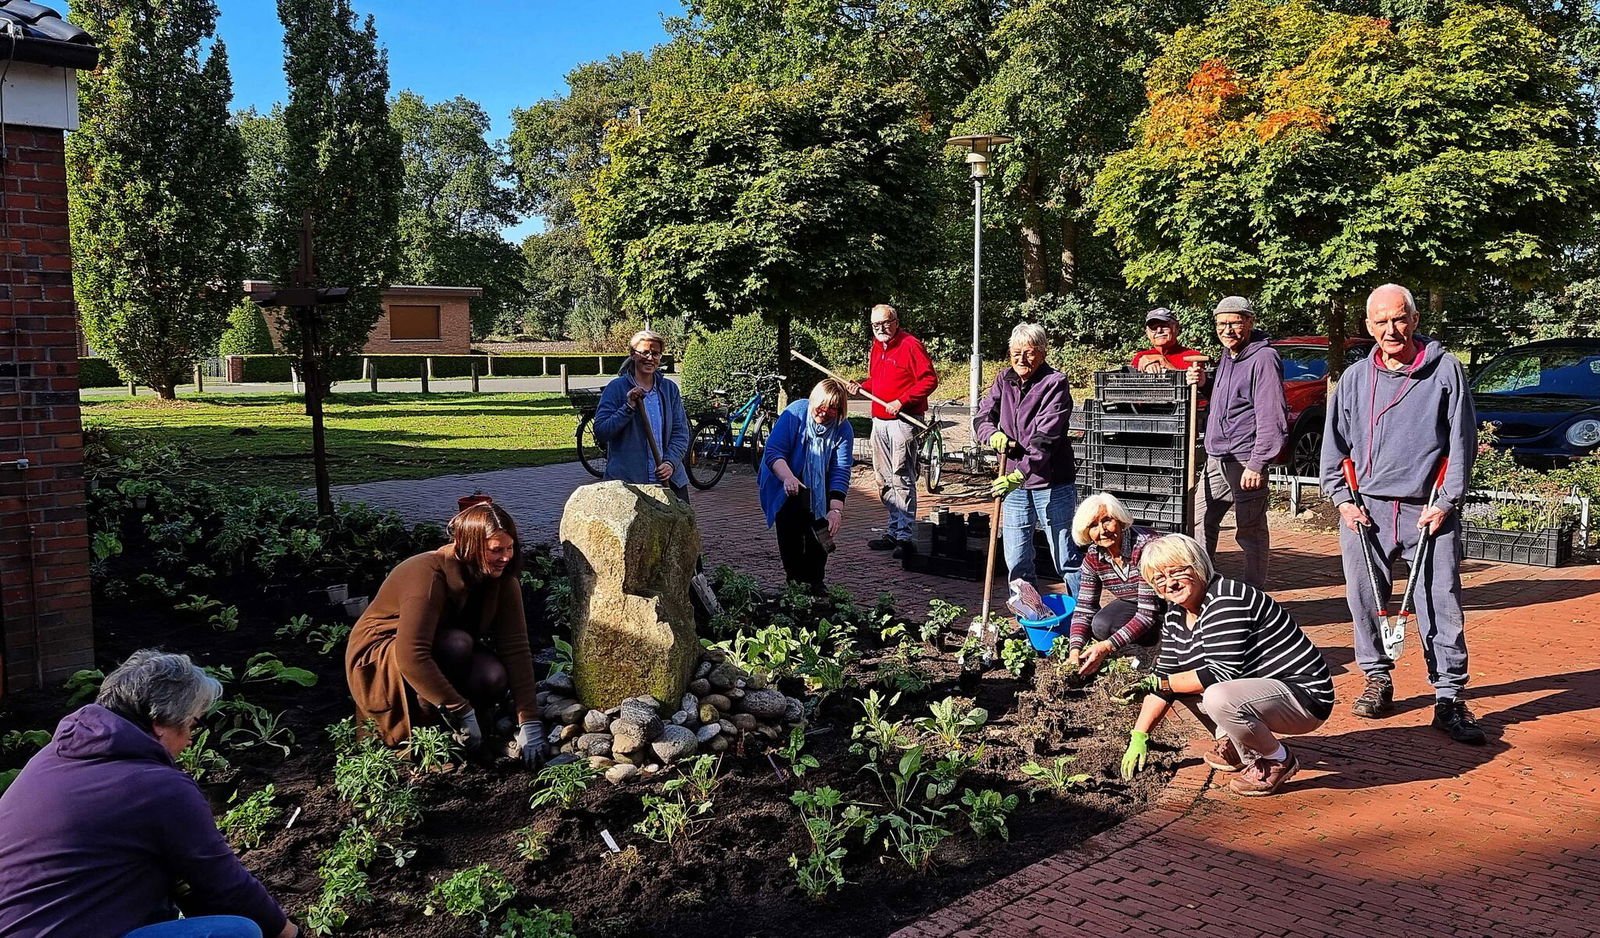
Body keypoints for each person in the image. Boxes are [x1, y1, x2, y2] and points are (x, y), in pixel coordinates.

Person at [0, 650, 299, 938]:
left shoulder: (49, 758)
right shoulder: (160, 788)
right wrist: (289, 932)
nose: (192, 739)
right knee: (239, 932)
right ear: (159, 723)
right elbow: (225, 882)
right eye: (193, 723)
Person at [1320, 283, 1482, 744]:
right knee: (1364, 599)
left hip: (1428, 510)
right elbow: (1335, 444)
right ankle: (1378, 678)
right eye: (1381, 322)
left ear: (1413, 319)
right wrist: (1342, 500)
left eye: (1399, 319)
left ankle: (1449, 698)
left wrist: (1447, 502)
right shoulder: (1353, 378)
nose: (1391, 329)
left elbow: (1461, 441)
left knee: (1440, 602)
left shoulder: (1445, 370)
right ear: (1368, 326)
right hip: (1365, 509)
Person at [1118, 535, 1334, 796]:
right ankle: (1239, 742)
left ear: (1197, 565)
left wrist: (1160, 683)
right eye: (1159, 579)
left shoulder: (1225, 600)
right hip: (1262, 693)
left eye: (1177, 571)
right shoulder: (1176, 614)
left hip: (1303, 697)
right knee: (1182, 683)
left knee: (1216, 695)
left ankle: (1277, 759)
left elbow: (1220, 673)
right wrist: (1139, 736)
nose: (1170, 583)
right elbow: (1166, 674)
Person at [345, 497, 547, 767]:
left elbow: (516, 648)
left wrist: (529, 720)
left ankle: (473, 727)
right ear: (471, 547)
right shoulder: (426, 575)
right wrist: (460, 709)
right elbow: (412, 654)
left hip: (437, 649)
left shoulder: (502, 580)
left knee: (492, 675)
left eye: (510, 548)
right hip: (383, 659)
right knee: (457, 643)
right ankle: (428, 728)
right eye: (496, 550)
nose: (506, 557)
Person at [974, 322, 1083, 595]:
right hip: (1015, 487)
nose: (1021, 359)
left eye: (1029, 352)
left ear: (1043, 353)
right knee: (1017, 559)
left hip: (1051, 482)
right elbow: (983, 415)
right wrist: (990, 434)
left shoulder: (1055, 383)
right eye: (1015, 352)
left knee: (1065, 556)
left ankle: (1083, 617)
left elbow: (1046, 438)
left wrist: (1019, 473)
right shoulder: (1004, 379)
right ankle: (1029, 619)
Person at [1186, 296, 1287, 588]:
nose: (1227, 330)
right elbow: (1227, 400)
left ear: (1250, 322)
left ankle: (1255, 595)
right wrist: (1206, 382)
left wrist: (1258, 463)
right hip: (1217, 456)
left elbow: (1273, 414)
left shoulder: (1263, 359)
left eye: (1234, 322)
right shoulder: (1228, 356)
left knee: (1250, 530)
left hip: (1245, 459)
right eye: (1221, 323)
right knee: (1199, 521)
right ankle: (1204, 587)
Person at [845, 304, 938, 556]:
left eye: (885, 323)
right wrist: (862, 386)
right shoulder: (876, 348)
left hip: (904, 420)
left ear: (896, 321)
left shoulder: (910, 345)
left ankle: (906, 536)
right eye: (875, 325)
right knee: (884, 477)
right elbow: (879, 381)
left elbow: (929, 379)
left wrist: (903, 400)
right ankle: (893, 529)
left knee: (901, 474)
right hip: (880, 420)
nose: (881, 329)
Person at [758, 379, 855, 592]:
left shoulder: (843, 429)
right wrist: (788, 478)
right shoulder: (796, 413)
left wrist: (836, 509)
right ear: (812, 401)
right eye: (821, 406)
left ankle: (816, 582)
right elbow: (774, 452)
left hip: (821, 489)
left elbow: (840, 469)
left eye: (832, 409)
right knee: (790, 534)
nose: (824, 412)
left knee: (820, 531)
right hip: (786, 480)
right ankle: (794, 583)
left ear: (840, 411)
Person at [1067, 493, 1164, 675]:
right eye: (1093, 526)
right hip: (1135, 601)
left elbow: (1147, 614)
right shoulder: (1094, 558)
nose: (1102, 530)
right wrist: (1075, 650)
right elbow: (1085, 609)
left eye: (1107, 520)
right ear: (1086, 532)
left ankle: (1161, 644)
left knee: (1159, 622)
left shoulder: (1144, 549)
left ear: (1119, 520)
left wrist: (1108, 645)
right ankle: (1143, 649)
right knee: (1102, 624)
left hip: (1167, 604)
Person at [594, 329, 692, 503]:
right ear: (633, 354)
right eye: (644, 352)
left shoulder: (669, 389)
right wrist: (628, 407)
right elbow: (602, 431)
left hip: (669, 483)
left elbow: (680, 433)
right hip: (630, 486)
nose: (650, 358)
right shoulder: (616, 388)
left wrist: (670, 463)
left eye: (655, 353)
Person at [1130, 308, 1206, 373]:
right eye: (1153, 328)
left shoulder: (1193, 357)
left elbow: (1189, 385)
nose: (1159, 331)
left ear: (1176, 328)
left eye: (1164, 326)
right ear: (1147, 333)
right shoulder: (1141, 357)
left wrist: (1163, 361)